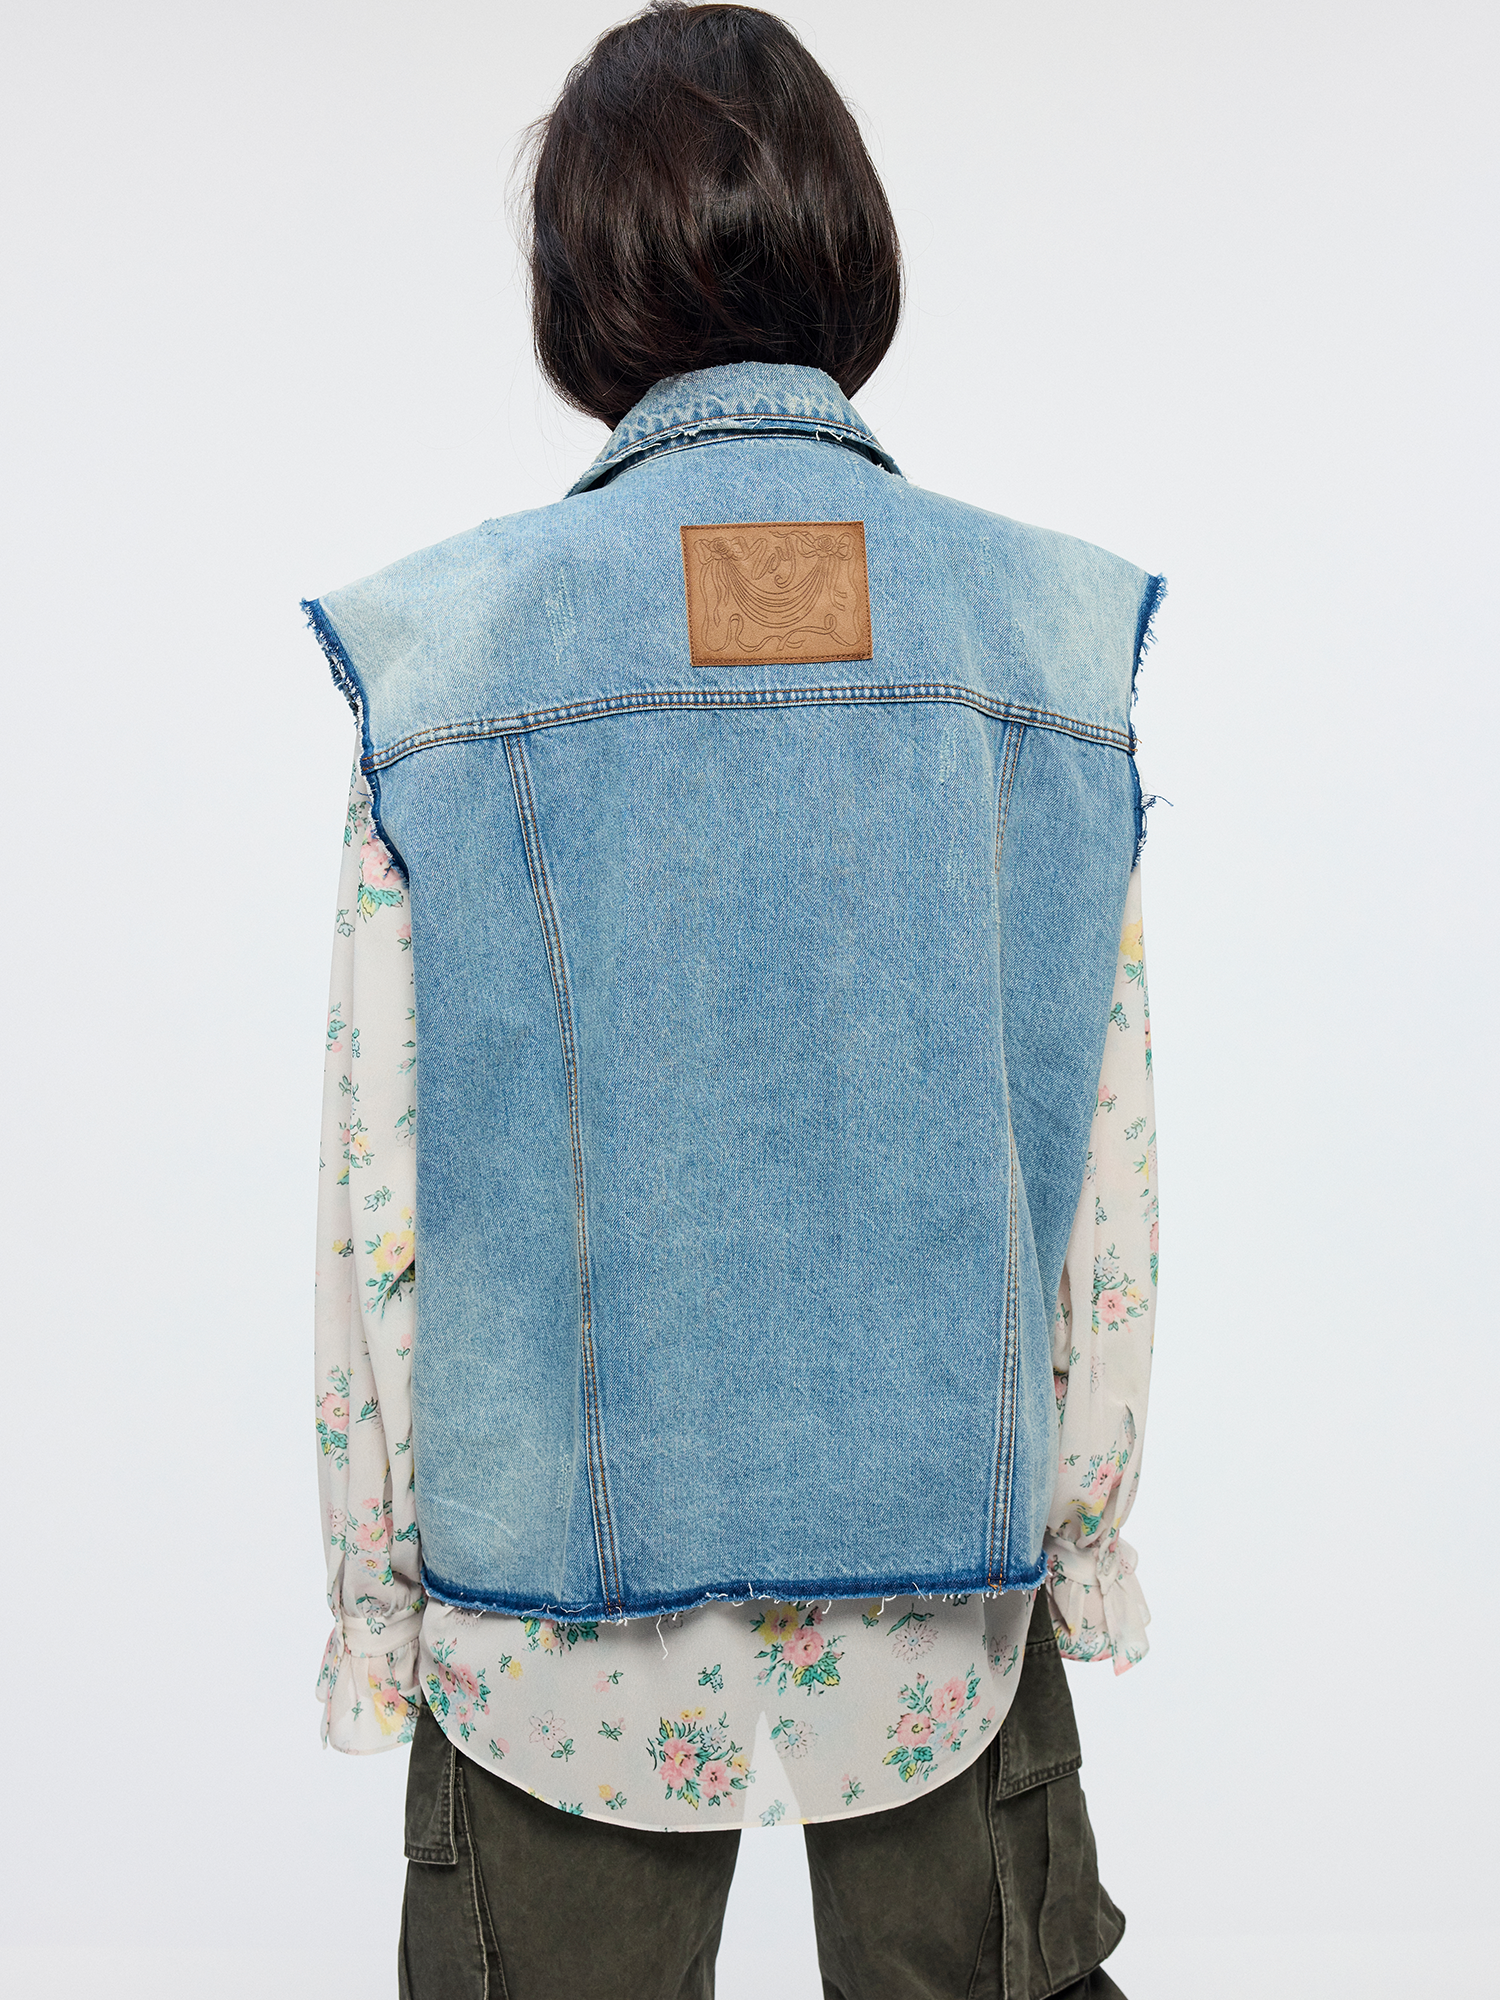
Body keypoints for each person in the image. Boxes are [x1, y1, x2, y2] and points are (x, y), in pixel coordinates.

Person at [304, 6, 1162, 1995]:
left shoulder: (449, 656)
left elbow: (380, 1187)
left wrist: (375, 1587)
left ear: (576, 281)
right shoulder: (1042, 636)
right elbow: (1103, 1167)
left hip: (553, 1605)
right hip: (952, 1576)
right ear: (853, 243)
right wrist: (1082, 1518)